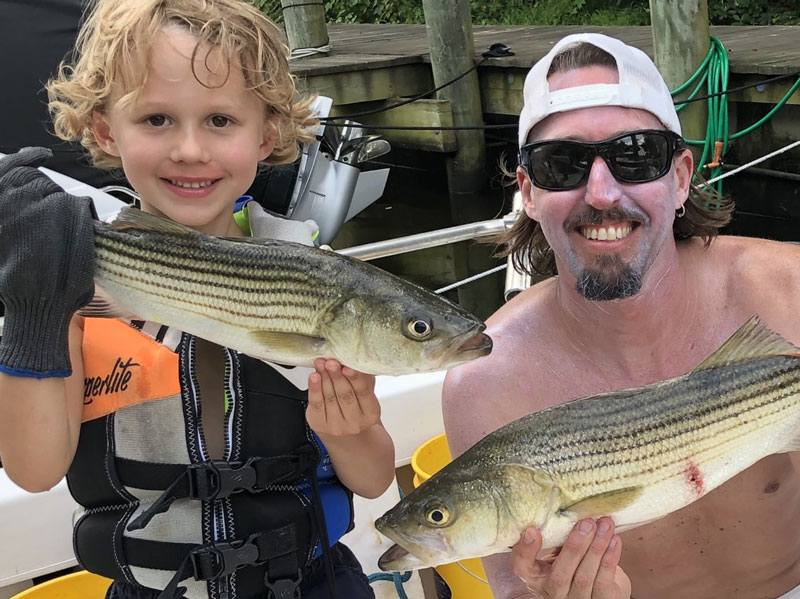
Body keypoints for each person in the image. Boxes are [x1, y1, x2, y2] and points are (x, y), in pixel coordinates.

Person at [0, 1, 395, 598]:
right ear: (106, 130)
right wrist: (31, 307)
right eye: (157, 119)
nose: (189, 149)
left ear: (267, 134)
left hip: (308, 584)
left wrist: (348, 429)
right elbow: (34, 471)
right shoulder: (76, 283)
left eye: (220, 121)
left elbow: (371, 480)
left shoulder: (316, 287)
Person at [442, 33, 800, 599]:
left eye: (635, 155)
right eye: (563, 164)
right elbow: (512, 588)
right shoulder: (486, 379)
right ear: (528, 192)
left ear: (680, 177)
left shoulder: (790, 291)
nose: (603, 192)